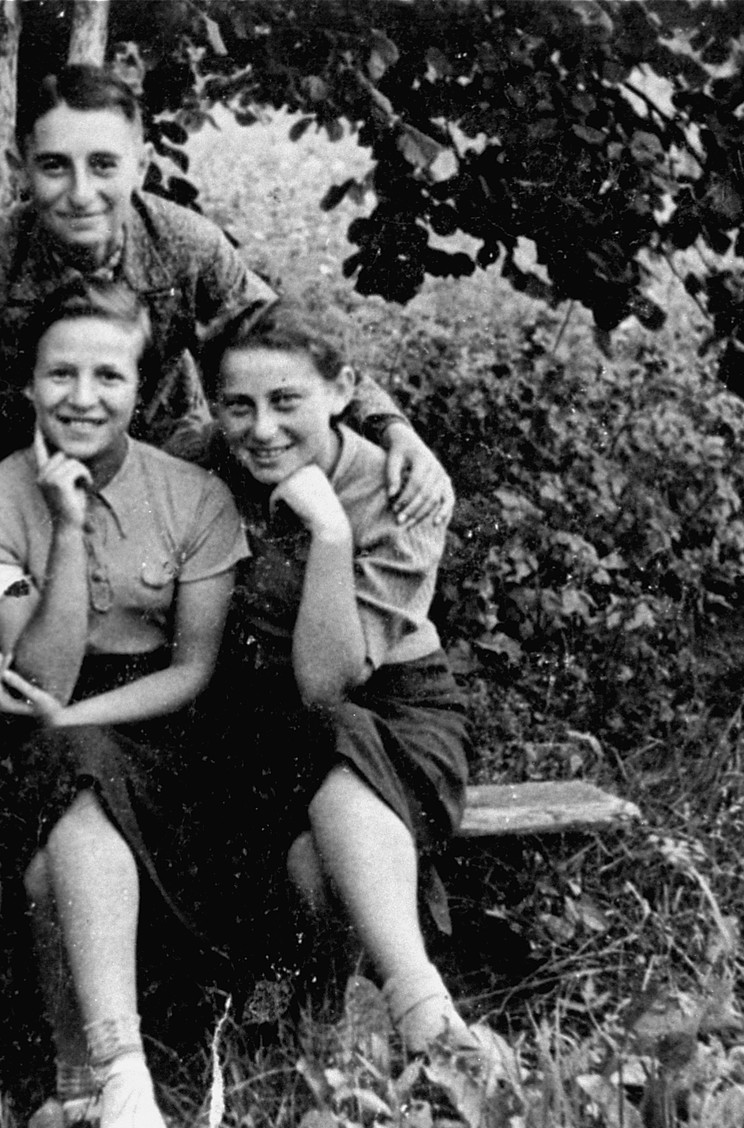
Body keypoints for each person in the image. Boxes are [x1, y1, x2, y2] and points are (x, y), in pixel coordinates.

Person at [0, 64, 450, 593]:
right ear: (21, 168)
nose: (81, 193)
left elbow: (287, 349)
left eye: (103, 164)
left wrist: (394, 432)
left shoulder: (185, 245)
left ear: (139, 162)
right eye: (55, 167)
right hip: (23, 459)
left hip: (169, 457)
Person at [0, 281, 247, 1128]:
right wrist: (67, 529)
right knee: (53, 816)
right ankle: (118, 1070)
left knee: (61, 812)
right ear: (28, 385)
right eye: (61, 374)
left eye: (108, 376)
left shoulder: (194, 496)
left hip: (156, 724)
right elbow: (39, 670)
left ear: (141, 387)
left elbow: (193, 670)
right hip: (41, 716)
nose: (84, 397)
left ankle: (92, 1071)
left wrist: (73, 718)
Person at [197, 299, 515, 1069]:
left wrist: (331, 532)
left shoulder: (401, 490)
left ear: (342, 393)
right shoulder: (200, 463)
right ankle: (343, 1024)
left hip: (393, 708)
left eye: (287, 402)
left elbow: (328, 684)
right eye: (239, 406)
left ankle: (421, 1013)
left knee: (338, 747)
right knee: (304, 859)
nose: (262, 429)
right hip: (262, 717)